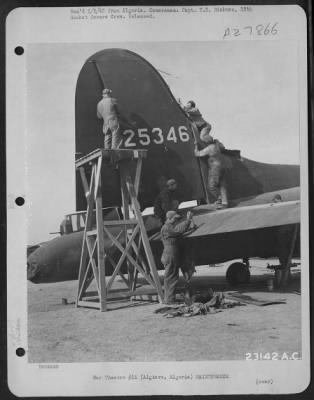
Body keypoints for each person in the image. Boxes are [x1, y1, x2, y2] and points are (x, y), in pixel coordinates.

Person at [160, 210, 194, 304]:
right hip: (170, 255)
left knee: (171, 276)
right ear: (169, 218)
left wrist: (190, 227)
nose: (176, 220)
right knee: (171, 277)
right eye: (175, 219)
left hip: (171, 255)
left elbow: (178, 232)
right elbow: (179, 230)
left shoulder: (170, 228)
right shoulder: (166, 228)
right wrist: (188, 220)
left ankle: (169, 299)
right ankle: (169, 300)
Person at [194, 128, 228, 209]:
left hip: (215, 167)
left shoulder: (210, 148)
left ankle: (220, 199)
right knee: (222, 185)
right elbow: (223, 147)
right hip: (222, 166)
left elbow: (197, 154)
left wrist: (195, 146)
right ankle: (224, 202)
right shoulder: (218, 146)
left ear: (206, 141)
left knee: (212, 186)